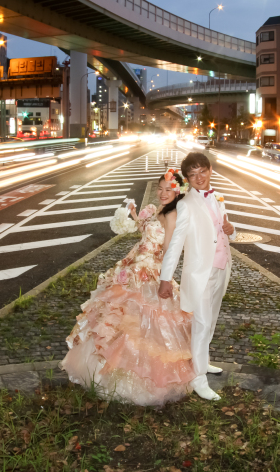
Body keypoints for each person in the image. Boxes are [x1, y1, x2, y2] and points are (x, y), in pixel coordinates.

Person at [62, 170, 195, 406]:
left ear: (178, 192)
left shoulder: (172, 214)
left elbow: (170, 250)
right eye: (160, 188)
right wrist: (134, 214)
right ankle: (106, 371)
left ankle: (139, 382)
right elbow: (146, 231)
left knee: (143, 322)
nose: (163, 193)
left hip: (150, 271)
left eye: (169, 189)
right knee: (120, 317)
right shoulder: (161, 210)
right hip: (134, 264)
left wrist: (163, 278)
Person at [158, 152, 236, 401]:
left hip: (221, 269)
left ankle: (204, 360)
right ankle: (198, 378)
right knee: (201, 326)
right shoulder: (186, 204)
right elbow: (176, 243)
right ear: (188, 179)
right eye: (192, 175)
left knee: (211, 320)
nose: (198, 177)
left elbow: (226, 229)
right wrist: (165, 278)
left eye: (202, 171)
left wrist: (232, 230)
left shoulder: (219, 197)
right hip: (200, 273)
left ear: (210, 170)